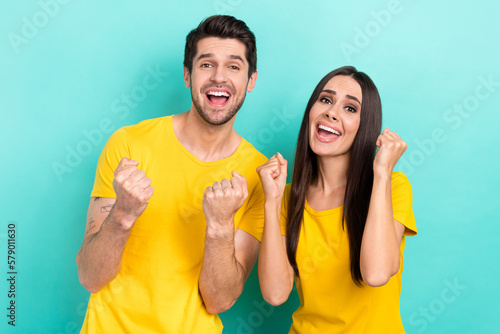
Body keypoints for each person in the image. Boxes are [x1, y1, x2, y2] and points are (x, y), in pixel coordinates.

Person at [76, 15, 266, 334]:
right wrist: (122, 214)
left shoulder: (256, 177)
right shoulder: (129, 144)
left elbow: (219, 300)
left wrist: (220, 226)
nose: (219, 77)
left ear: (251, 81)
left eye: (234, 66)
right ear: (187, 75)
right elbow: (90, 277)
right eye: (206, 64)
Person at [257, 66, 417, 333]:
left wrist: (381, 173)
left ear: (365, 126)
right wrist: (271, 203)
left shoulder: (392, 186)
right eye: (326, 100)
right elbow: (275, 295)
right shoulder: (287, 197)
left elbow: (376, 274)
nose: (331, 112)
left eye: (350, 108)